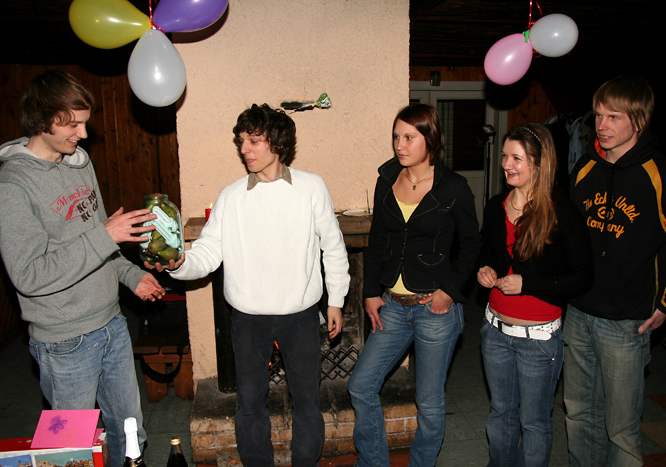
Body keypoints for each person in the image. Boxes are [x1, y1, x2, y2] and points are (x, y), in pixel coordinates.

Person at [147, 104, 350, 467]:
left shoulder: (311, 187)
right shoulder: (231, 195)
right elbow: (208, 252)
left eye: (254, 141)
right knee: (250, 405)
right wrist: (178, 264)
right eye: (241, 141)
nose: (244, 149)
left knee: (307, 403)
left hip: (301, 316)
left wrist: (336, 300)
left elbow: (333, 247)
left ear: (278, 143)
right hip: (248, 319)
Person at [0, 70, 164, 467]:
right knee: (73, 450)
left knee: (131, 434)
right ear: (43, 119)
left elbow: (100, 244)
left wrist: (130, 275)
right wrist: (105, 235)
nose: (83, 134)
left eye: (84, 123)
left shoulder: (78, 165)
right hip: (65, 343)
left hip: (112, 324)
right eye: (73, 125)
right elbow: (29, 275)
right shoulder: (12, 187)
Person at [347, 103, 480, 467]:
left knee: (429, 401)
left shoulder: (454, 187)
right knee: (360, 385)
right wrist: (370, 292)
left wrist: (449, 290)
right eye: (396, 136)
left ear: (430, 139)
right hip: (392, 305)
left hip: (434, 310)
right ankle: (373, 462)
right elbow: (377, 239)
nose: (399, 145)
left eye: (409, 137)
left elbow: (472, 244)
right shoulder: (387, 178)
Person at [564, 74, 666, 467]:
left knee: (622, 429)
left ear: (639, 121)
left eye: (614, 117)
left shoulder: (665, 174)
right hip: (578, 313)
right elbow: (570, 239)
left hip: (628, 322)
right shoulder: (584, 168)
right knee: (579, 415)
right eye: (598, 115)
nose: (602, 125)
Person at [477, 123, 593, 466]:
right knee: (501, 414)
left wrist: (527, 284)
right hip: (495, 332)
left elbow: (582, 278)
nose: (506, 165)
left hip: (539, 340)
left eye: (517, 158)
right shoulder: (496, 206)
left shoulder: (561, 213)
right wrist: (484, 270)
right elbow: (487, 252)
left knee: (534, 423)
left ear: (540, 165)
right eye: (504, 156)